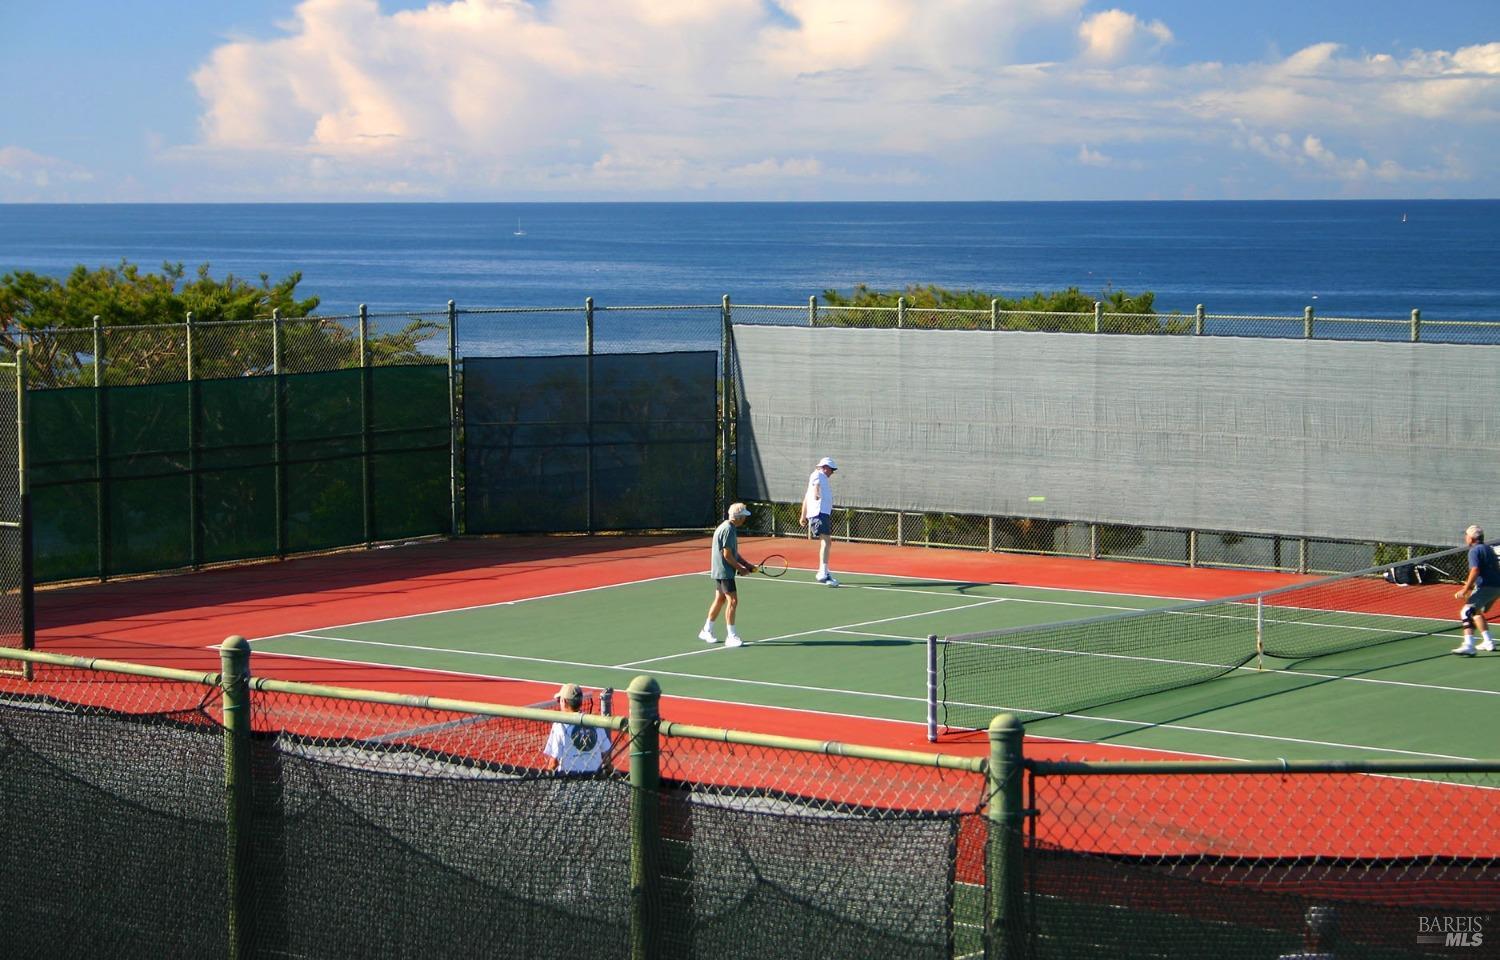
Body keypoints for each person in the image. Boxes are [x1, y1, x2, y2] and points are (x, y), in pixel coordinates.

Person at [700, 502, 756, 647]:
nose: (745, 519)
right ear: (738, 517)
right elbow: (727, 556)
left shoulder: (726, 527)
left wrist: (747, 565)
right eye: (743, 516)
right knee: (733, 601)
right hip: (724, 572)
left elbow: (733, 553)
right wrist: (741, 569)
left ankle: (707, 629)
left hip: (720, 570)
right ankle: (731, 636)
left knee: (720, 599)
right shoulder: (729, 530)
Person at [1452, 524, 1500, 656]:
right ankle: (1488, 642)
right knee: (1476, 612)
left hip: (1487, 587)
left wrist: (1465, 589)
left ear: (1472, 538)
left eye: (1466, 535)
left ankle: (1469, 645)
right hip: (1496, 587)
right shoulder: (1488, 549)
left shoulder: (1474, 551)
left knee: (1466, 611)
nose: (1465, 537)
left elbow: (1475, 570)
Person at [544, 683, 611, 773]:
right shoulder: (595, 722)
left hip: (568, 778)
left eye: (559, 700)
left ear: (564, 701)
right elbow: (606, 754)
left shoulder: (559, 725)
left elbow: (553, 763)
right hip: (594, 778)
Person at [800, 456, 839, 586]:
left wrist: (803, 515)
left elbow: (806, 498)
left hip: (821, 513)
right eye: (831, 469)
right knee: (826, 541)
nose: (832, 472)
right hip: (819, 513)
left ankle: (824, 571)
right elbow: (816, 487)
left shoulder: (819, 478)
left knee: (826, 542)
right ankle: (822, 572)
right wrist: (817, 494)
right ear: (825, 467)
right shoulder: (818, 475)